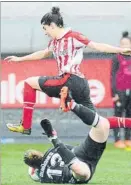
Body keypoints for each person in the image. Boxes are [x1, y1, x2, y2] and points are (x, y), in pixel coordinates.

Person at [5, 7, 131, 135]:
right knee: (97, 122)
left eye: (45, 28)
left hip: (69, 80)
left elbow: (97, 46)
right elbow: (42, 53)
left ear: (52, 25)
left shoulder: (73, 37)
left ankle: (26, 126)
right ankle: (129, 122)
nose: (45, 33)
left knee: (29, 83)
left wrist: (119, 50)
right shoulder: (54, 42)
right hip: (80, 84)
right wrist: (20, 59)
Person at [24, 91, 131, 183]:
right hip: (80, 154)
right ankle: (72, 106)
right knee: (102, 124)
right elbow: (69, 148)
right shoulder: (49, 152)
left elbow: (33, 174)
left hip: (77, 169)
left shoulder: (41, 176)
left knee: (101, 124)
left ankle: (55, 135)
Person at [111, 31, 131, 149]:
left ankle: (128, 139)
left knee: (129, 115)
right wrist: (114, 93)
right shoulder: (116, 57)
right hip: (120, 91)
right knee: (118, 116)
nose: (124, 46)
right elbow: (112, 76)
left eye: (126, 43)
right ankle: (118, 139)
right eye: (122, 44)